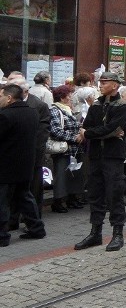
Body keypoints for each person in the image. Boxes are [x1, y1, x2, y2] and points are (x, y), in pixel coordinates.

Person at [74, 72, 126, 252]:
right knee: (95, 192)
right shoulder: (97, 105)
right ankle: (95, 232)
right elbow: (88, 125)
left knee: (115, 193)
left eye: (105, 82)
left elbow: (113, 128)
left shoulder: (122, 106)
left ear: (115, 85)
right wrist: (94, 132)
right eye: (101, 81)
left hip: (113, 155)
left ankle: (117, 233)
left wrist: (89, 134)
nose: (100, 84)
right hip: (96, 154)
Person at [0, 83, 46, 246]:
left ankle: (2, 236)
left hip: (6, 166)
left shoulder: (5, 115)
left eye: (1, 96)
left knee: (3, 201)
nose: (0, 99)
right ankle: (36, 228)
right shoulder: (32, 112)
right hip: (25, 164)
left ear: (9, 97)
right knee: (25, 197)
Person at [48, 85, 85, 212]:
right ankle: (58, 201)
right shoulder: (54, 110)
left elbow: (75, 125)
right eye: (69, 95)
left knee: (73, 174)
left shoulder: (69, 110)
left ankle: (72, 198)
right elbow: (55, 131)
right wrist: (74, 137)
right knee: (62, 175)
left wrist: (81, 132)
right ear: (63, 97)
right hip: (64, 150)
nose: (71, 98)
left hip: (75, 149)